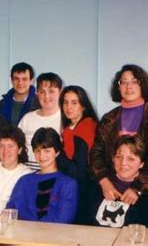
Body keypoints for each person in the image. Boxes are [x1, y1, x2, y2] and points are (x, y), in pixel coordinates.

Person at [90, 64, 148, 216]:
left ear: (143, 84)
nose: (128, 86)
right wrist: (104, 181)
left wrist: (137, 187)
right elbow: (96, 154)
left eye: (134, 81)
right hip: (112, 190)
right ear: (118, 87)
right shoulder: (108, 120)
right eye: (123, 81)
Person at [90, 135, 148, 228]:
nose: (123, 163)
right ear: (113, 159)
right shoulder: (97, 185)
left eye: (131, 159)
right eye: (119, 156)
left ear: (142, 164)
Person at [6, 127, 78, 223]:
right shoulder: (24, 181)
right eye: (37, 151)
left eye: (47, 151)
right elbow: (11, 211)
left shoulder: (67, 184)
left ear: (57, 152)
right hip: (23, 235)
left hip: (54, 236)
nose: (41, 156)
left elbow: (64, 219)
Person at [57, 85, 98, 224]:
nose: (69, 107)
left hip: (84, 194)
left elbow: (78, 172)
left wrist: (57, 153)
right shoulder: (71, 128)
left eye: (74, 103)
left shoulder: (85, 129)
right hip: (78, 190)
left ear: (83, 106)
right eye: (65, 102)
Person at [18, 72, 63, 170]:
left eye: (51, 91)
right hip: (27, 176)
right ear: (37, 93)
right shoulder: (27, 119)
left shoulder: (65, 120)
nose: (46, 96)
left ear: (60, 92)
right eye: (42, 92)